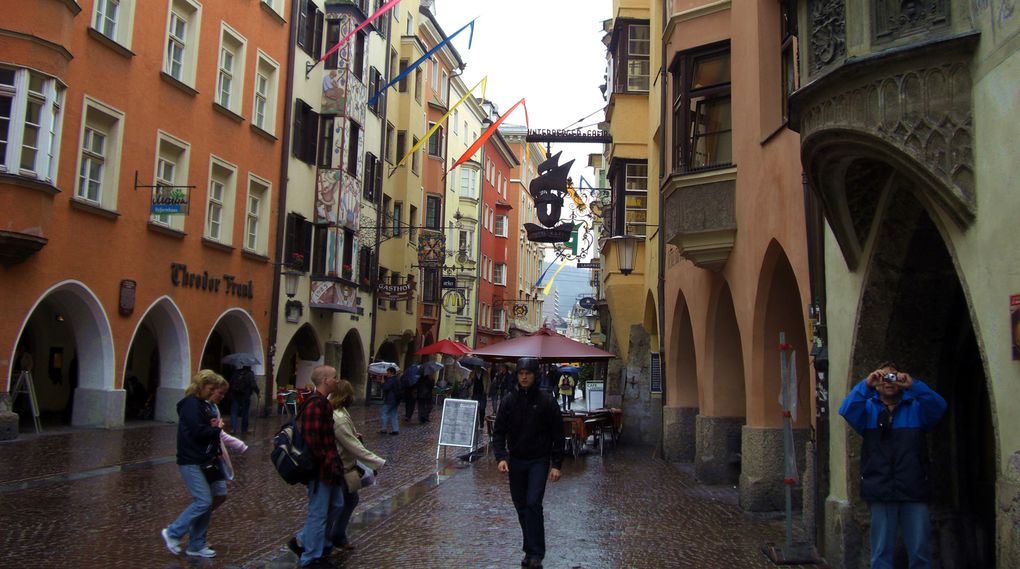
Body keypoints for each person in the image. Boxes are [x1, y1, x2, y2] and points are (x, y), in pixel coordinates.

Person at [838, 362, 947, 569]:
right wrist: (866, 384)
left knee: (920, 552)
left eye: (893, 377)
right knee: (881, 553)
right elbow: (846, 409)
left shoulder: (916, 408)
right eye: (883, 378)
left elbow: (939, 406)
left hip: (914, 488)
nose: (888, 382)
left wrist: (913, 385)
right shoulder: (868, 410)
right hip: (880, 489)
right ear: (876, 383)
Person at [492, 357, 565, 569]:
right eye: (521, 373)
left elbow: (557, 434)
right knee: (521, 505)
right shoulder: (509, 401)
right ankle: (530, 548)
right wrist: (501, 457)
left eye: (528, 373)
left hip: (538, 460)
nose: (524, 377)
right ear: (517, 376)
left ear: (535, 376)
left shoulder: (546, 401)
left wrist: (556, 464)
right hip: (516, 460)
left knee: (533, 503)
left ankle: (535, 553)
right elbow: (499, 432)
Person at [160, 370, 228, 559]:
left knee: (212, 498)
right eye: (211, 388)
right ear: (201, 385)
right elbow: (198, 431)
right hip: (192, 460)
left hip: (205, 459)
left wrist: (212, 427)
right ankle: (173, 532)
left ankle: (196, 543)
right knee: (203, 500)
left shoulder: (202, 405)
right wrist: (215, 429)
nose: (213, 392)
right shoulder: (191, 404)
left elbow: (203, 428)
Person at [289, 365, 346, 568]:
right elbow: (313, 440)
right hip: (321, 468)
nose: (336, 380)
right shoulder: (315, 404)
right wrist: (326, 460)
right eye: (334, 377)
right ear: (324, 380)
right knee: (318, 512)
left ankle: (304, 539)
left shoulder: (324, 403)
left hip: (331, 466)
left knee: (338, 504)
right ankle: (310, 557)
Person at [328, 379, 386, 551]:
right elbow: (352, 445)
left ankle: (336, 536)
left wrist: (354, 434)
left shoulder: (340, 411)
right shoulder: (338, 416)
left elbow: (348, 437)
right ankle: (322, 539)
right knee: (339, 503)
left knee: (349, 499)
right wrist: (378, 462)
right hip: (340, 466)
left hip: (343, 465)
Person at [229, 365, 259, 434]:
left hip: (235, 395)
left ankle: (233, 429)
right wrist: (258, 392)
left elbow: (231, 382)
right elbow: (253, 385)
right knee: (245, 413)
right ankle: (244, 429)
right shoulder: (250, 374)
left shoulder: (236, 372)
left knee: (234, 412)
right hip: (245, 396)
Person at [379, 366, 400, 435]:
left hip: (390, 400)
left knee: (384, 413)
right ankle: (395, 430)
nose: (387, 374)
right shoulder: (397, 379)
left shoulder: (391, 380)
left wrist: (382, 383)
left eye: (388, 373)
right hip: (396, 400)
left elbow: (386, 388)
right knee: (394, 414)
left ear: (391, 373)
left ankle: (384, 429)